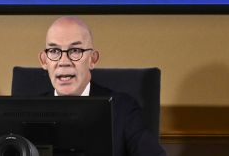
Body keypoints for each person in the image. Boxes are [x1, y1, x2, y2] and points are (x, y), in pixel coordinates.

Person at [34, 16, 166, 156]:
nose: (64, 61)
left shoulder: (122, 109)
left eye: (75, 51)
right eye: (54, 51)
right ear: (44, 61)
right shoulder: (32, 112)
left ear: (93, 59)